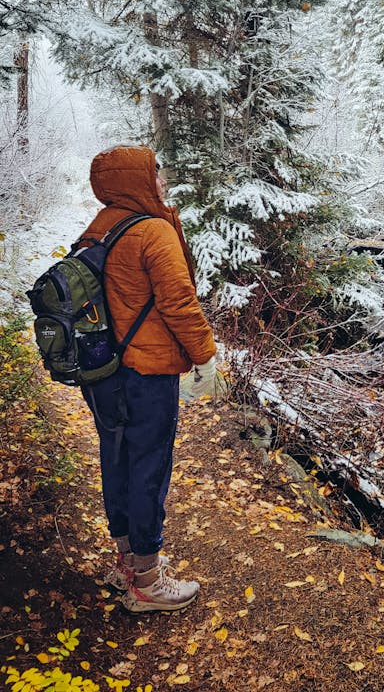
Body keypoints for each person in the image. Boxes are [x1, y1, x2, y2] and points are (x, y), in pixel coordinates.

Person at [79, 144, 217, 613]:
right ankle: (148, 582)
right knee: (148, 468)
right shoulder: (153, 230)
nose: (161, 181)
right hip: (147, 373)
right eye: (154, 173)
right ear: (134, 181)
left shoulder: (97, 230)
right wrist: (205, 358)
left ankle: (125, 563)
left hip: (102, 373)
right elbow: (178, 302)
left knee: (115, 460)